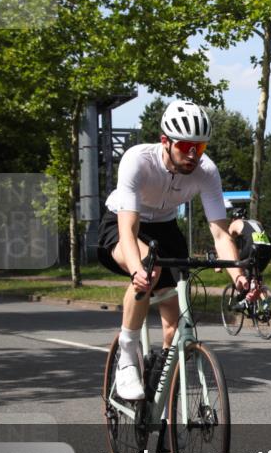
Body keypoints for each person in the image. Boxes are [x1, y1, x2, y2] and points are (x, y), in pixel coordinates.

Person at [97, 100, 244, 400]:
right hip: (122, 222)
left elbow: (219, 232)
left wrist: (240, 279)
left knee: (174, 329)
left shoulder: (206, 172)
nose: (192, 155)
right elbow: (128, 229)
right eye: (185, 146)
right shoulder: (137, 161)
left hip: (165, 228)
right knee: (150, 269)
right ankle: (126, 358)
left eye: (199, 148)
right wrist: (139, 269)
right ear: (165, 141)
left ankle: (160, 393)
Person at [227, 206, 271, 312]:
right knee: (256, 276)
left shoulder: (235, 223)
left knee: (238, 265)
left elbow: (227, 241)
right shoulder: (256, 222)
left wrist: (219, 258)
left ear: (234, 218)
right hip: (268, 248)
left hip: (253, 246)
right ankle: (265, 303)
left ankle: (244, 299)